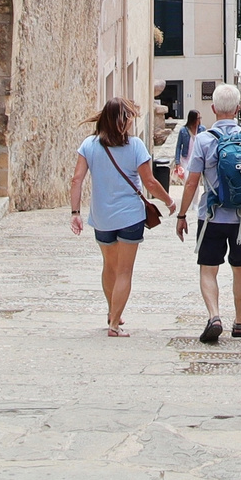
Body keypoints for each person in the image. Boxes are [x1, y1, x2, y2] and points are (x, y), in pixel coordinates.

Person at [70, 98, 176, 337]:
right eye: (129, 117)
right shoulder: (136, 146)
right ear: (123, 120)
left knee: (109, 266)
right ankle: (114, 324)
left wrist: (75, 213)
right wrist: (168, 201)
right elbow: (149, 181)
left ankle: (111, 311)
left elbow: (76, 180)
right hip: (130, 217)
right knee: (124, 271)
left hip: (102, 217)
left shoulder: (89, 145)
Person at [176, 84, 241, 343]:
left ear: (214, 108)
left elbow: (192, 182)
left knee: (209, 269)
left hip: (212, 216)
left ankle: (214, 316)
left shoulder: (205, 140)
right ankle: (239, 322)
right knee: (240, 267)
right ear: (240, 108)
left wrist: (182, 215)